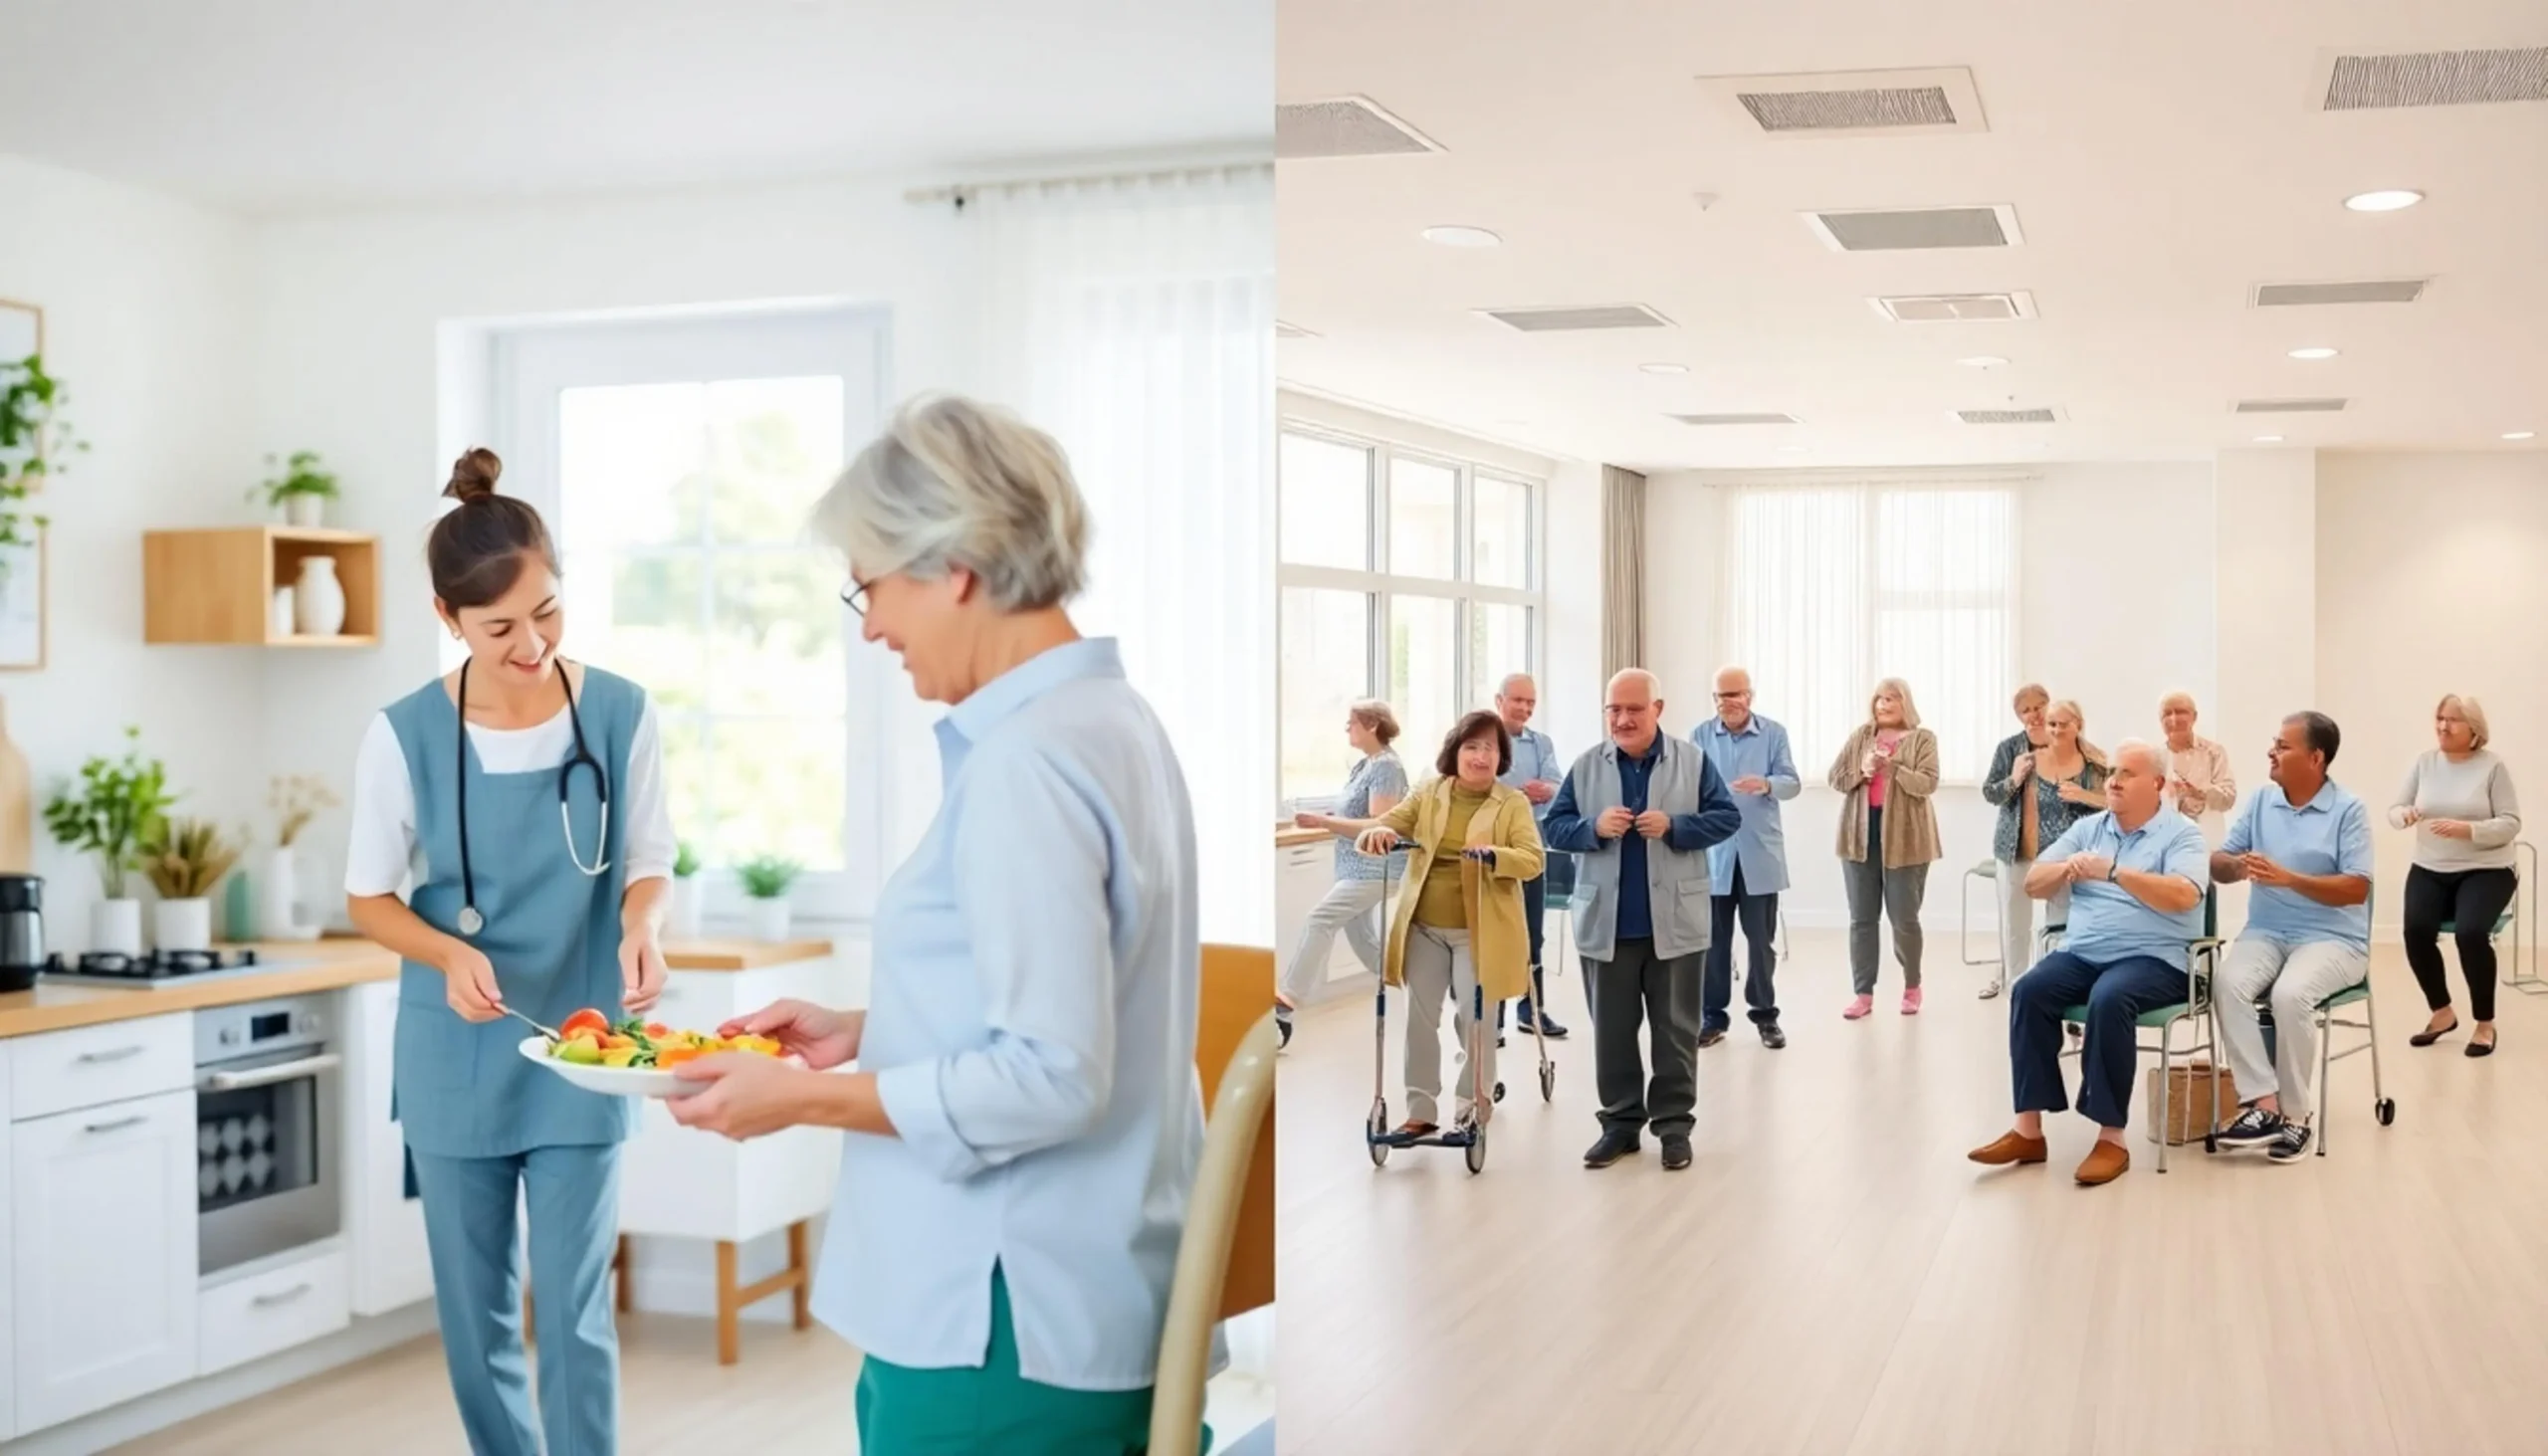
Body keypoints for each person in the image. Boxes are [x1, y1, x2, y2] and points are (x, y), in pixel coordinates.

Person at [663, 396, 1213, 1453]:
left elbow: (1053, 1075)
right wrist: (866, 1029)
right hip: (1078, 1298)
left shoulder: (1028, 761)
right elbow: (1085, 1000)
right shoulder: (1113, 723)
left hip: (997, 1324)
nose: (870, 625)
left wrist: (800, 1097)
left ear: (953, 565)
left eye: (869, 584)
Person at [343, 447, 676, 1456]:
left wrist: (641, 924)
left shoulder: (619, 711)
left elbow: (649, 856)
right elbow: (368, 897)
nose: (531, 644)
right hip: (457, 1046)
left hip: (582, 1042)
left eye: (548, 611)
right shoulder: (403, 733)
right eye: (499, 627)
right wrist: (446, 954)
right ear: (448, 617)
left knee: (573, 1311)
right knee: (475, 1318)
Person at [1967, 740, 2208, 1186]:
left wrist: (2113, 872)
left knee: (2109, 997)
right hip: (2084, 952)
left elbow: (2184, 895)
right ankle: (2028, 1130)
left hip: (2157, 960)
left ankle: (2111, 1138)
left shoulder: (2183, 835)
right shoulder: (2089, 828)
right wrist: (2067, 868)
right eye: (2112, 771)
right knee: (2029, 990)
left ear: (2157, 783)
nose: (2113, 781)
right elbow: (2034, 882)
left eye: (2127, 773)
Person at [1544, 669, 1740, 1171]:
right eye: (1614, 710)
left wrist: (1676, 826)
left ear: (1658, 709)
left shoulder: (1693, 761)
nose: (1623, 719)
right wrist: (1592, 828)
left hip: (1675, 922)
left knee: (1676, 1032)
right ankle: (1620, 1125)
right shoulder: (1586, 765)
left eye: (1634, 709)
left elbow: (1727, 817)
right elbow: (1555, 827)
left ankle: (1674, 1127)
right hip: (1607, 925)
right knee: (1612, 1033)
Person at [1347, 711, 1546, 1142]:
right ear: (1455, 751)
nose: (1480, 756)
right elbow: (1386, 823)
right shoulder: (1430, 792)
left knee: (1476, 1018)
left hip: (1481, 931)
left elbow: (1533, 860)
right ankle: (1419, 1111)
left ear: (1501, 757)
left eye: (1490, 748)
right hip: (1424, 926)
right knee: (1419, 1019)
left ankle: (1473, 1106)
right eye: (1471, 746)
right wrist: (1374, 835)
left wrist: (1494, 855)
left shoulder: (1511, 803)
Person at [2208, 712, 2374, 1160]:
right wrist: (2237, 866)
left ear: (2316, 758)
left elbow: (2356, 888)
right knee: (2227, 984)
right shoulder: (2262, 801)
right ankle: (2263, 1104)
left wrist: (2289, 879)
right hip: (2266, 931)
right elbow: (2218, 862)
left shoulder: (2349, 810)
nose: (2272, 752)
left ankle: (2297, 1118)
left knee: (2290, 994)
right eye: (2274, 743)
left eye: (2283, 746)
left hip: (2334, 939)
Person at [2391, 693, 2524, 1058]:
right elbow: (2395, 808)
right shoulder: (2424, 762)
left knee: (2471, 933)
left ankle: (2485, 1023)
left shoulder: (2492, 766)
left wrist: (2469, 830)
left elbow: (2511, 822)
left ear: (2474, 729)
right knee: (2416, 931)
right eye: (2439, 718)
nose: (2443, 726)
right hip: (2430, 867)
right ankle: (2442, 1012)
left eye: (2452, 720)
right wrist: (2404, 816)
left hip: (2487, 869)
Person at [1274, 700, 1408, 1049]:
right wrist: (1328, 818)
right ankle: (1414, 988)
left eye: (1353, 722)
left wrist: (1324, 822)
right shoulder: (1365, 765)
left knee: (1320, 919)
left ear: (1373, 726)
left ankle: (1286, 1002)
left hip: (1374, 868)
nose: (1347, 728)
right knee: (1362, 938)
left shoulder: (1387, 767)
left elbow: (1379, 824)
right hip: (1354, 866)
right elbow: (1357, 812)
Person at [1692, 665, 1799, 1050]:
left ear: (1749, 696)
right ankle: (1713, 1017)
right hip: (1715, 858)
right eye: (1722, 696)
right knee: (1713, 943)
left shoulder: (1774, 734)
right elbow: (1689, 786)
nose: (1729, 702)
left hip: (1759, 855)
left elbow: (1792, 784)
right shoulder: (1701, 736)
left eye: (1735, 694)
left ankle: (1765, 1016)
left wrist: (1766, 784)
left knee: (1760, 942)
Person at [1828, 678, 1942, 1019]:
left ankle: (1912, 986)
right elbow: (1836, 777)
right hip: (1859, 836)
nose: (1884, 704)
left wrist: (1892, 768)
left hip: (1907, 839)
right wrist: (1862, 772)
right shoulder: (1861, 736)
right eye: (1879, 698)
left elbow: (1928, 783)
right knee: (1862, 919)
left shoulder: (1923, 739)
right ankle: (1863, 994)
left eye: (1892, 698)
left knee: (1904, 918)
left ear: (1906, 703)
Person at [1491, 672, 1571, 1041]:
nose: (1524, 708)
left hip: (1531, 852)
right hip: (1493, 853)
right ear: (1499, 700)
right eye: (1518, 700)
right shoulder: (1483, 740)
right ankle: (1492, 1019)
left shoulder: (1542, 743)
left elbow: (1556, 784)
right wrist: (1518, 795)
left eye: (1531, 702)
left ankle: (1532, 1010)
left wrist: (1545, 790)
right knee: (1495, 936)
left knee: (1532, 934)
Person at [1979, 684, 2053, 999]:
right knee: (2014, 924)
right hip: (2014, 850)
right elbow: (1990, 792)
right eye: (2026, 710)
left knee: (2059, 922)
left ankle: (2053, 986)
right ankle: (2016, 988)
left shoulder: (2065, 745)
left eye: (2039, 706)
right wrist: (2015, 778)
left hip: (2056, 851)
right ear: (2019, 716)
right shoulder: (2009, 748)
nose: (2035, 715)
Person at [2158, 690, 2236, 839]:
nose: (2174, 719)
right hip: (2168, 840)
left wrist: (2199, 793)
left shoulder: (2213, 752)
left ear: (2194, 717)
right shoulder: (2155, 759)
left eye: (2180, 712)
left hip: (2208, 840)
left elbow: (2229, 798)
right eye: (2167, 714)